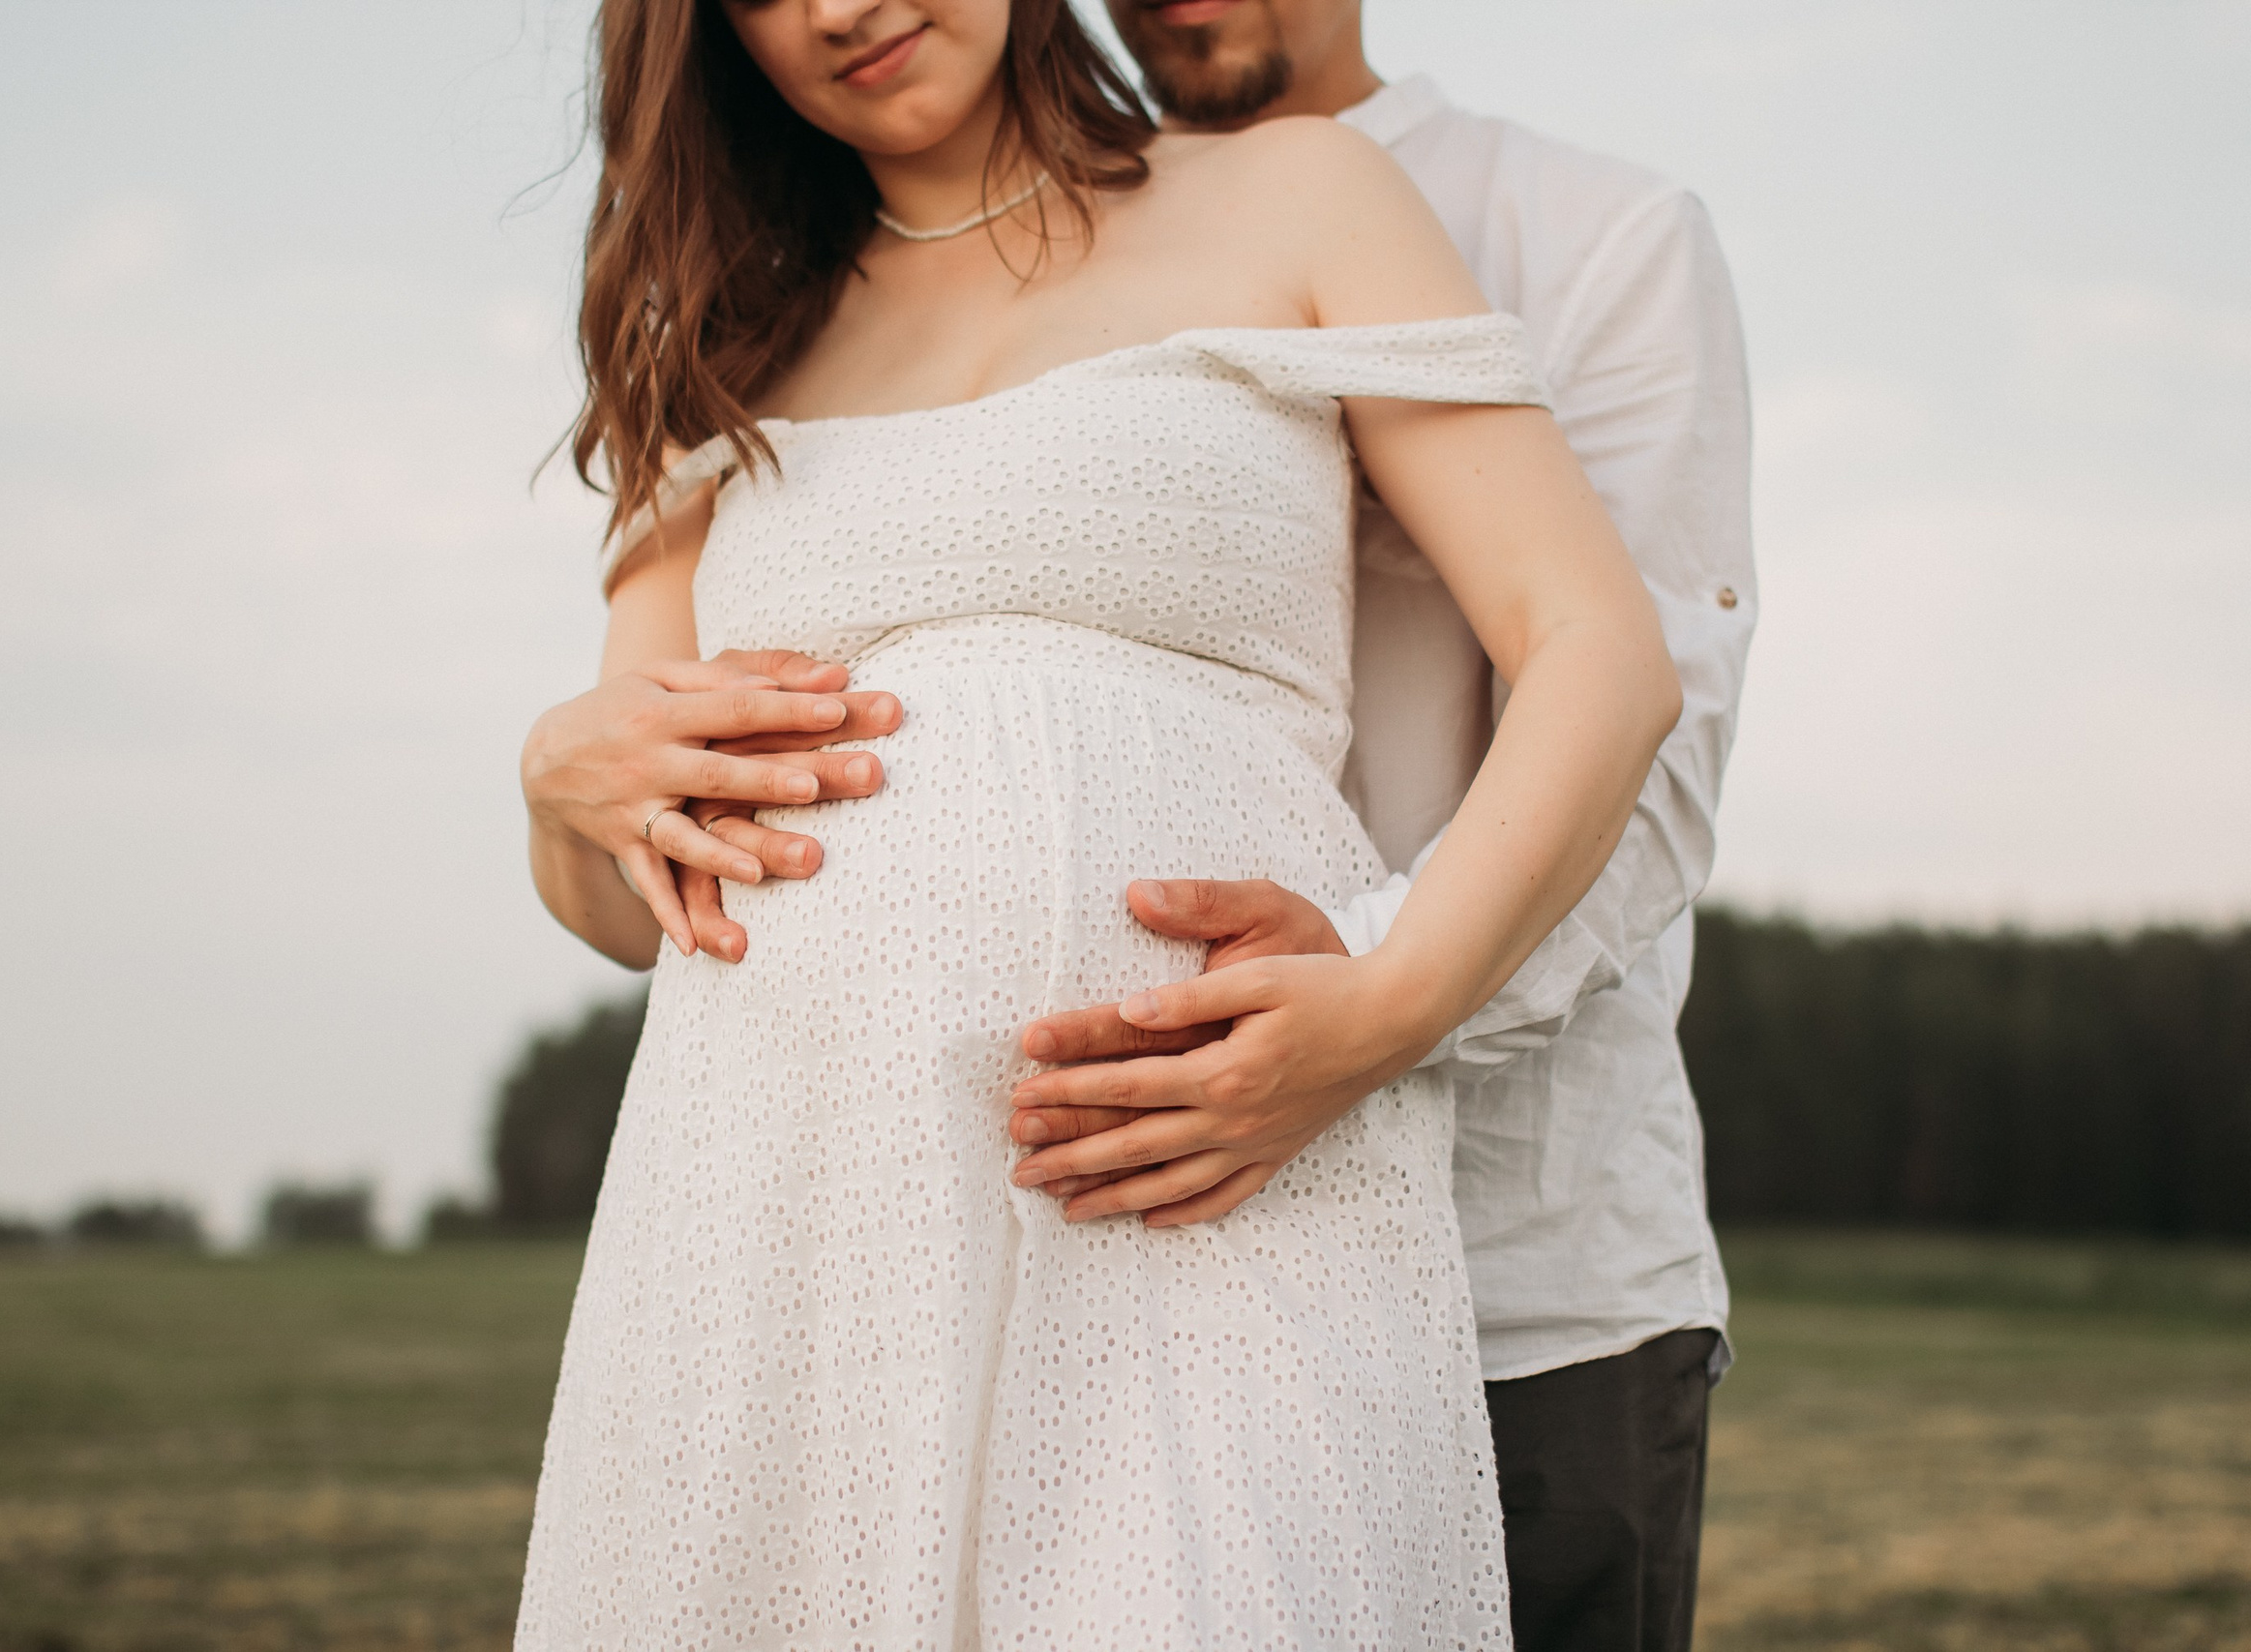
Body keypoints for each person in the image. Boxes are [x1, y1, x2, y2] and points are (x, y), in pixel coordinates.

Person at [514, 0, 1684, 1645]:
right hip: (783, 1201)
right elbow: (641, 901)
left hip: (1200, 1166)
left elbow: (1598, 653)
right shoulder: (721, 342)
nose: (840, 8)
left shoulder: (1296, 193)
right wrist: (559, 791)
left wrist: (1395, 997)